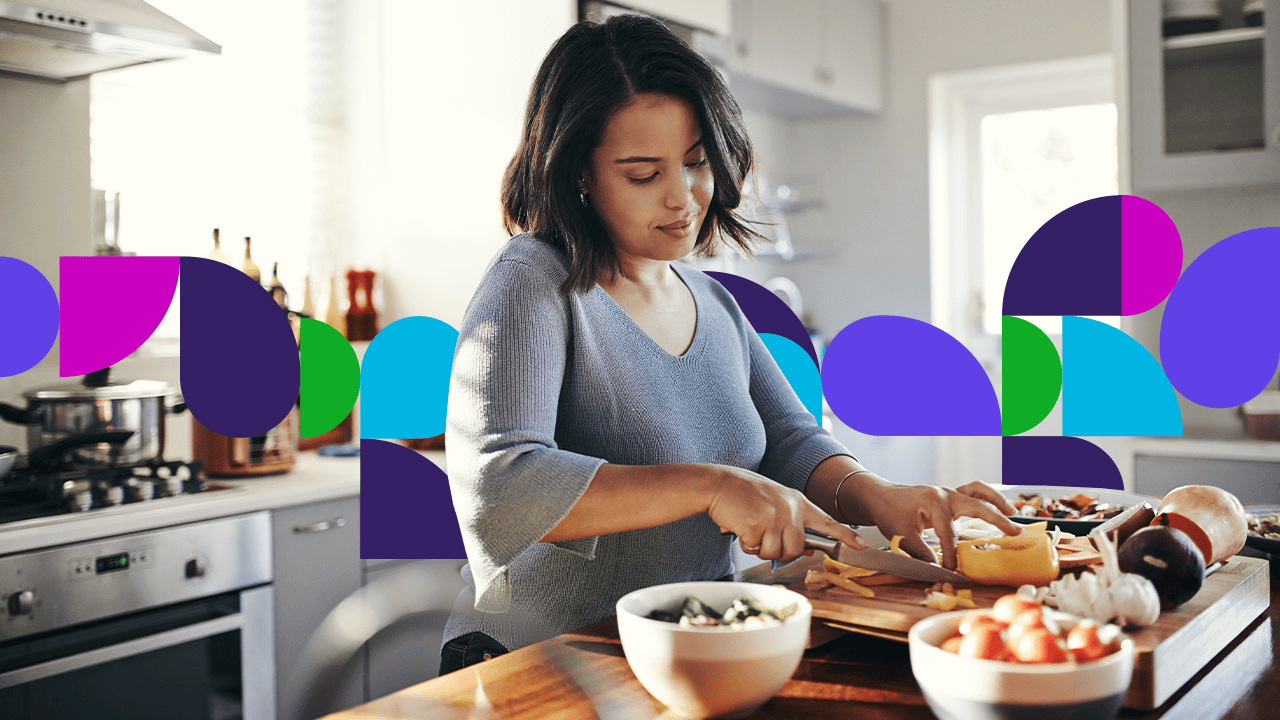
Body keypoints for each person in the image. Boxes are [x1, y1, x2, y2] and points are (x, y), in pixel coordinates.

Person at [439, 13, 1020, 676]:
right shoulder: (531, 282)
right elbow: (498, 486)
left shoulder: (713, 301)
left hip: (679, 656)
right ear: (579, 173)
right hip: (537, 663)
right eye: (641, 174)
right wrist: (711, 486)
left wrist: (878, 497)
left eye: (695, 163)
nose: (684, 199)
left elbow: (792, 443)